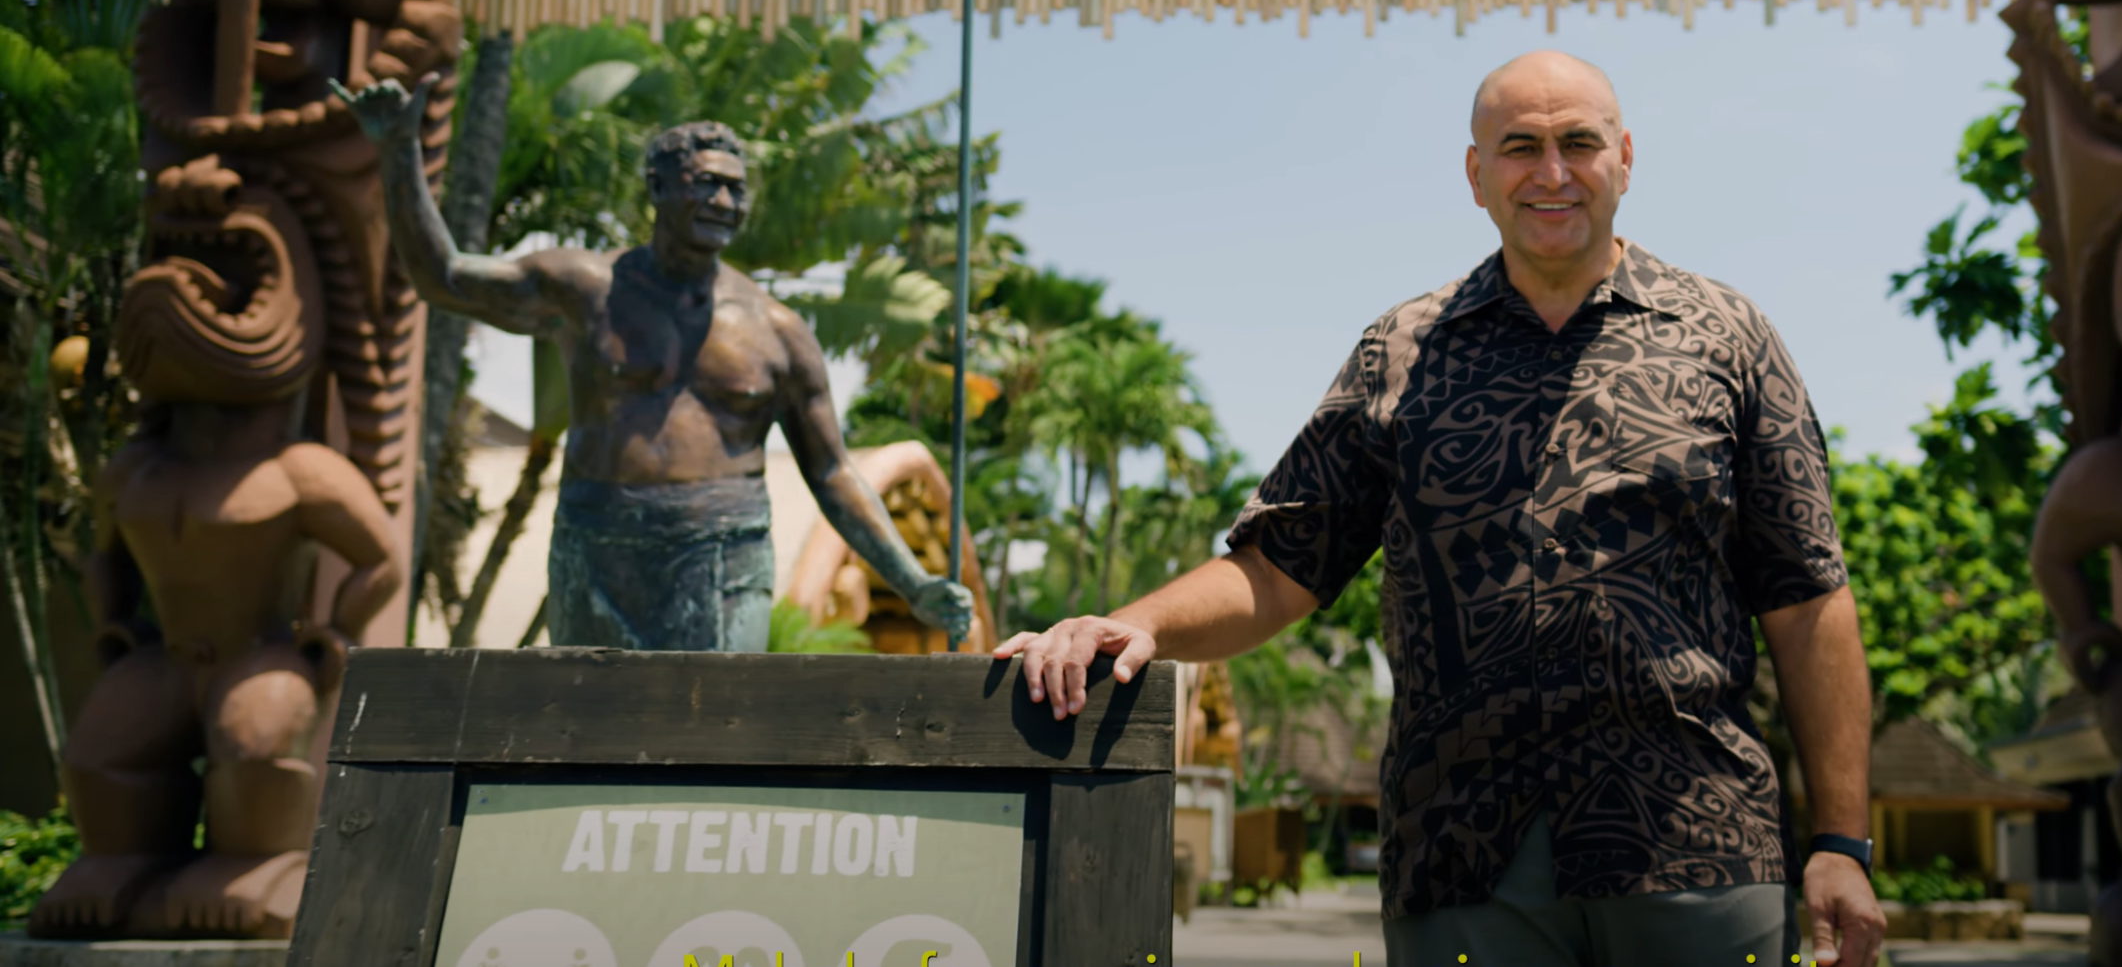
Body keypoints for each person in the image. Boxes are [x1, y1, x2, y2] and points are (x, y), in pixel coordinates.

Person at [995, 51, 1886, 967]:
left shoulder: (1727, 338)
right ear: (1475, 175)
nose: (1551, 172)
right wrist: (1133, 624)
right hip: (1462, 858)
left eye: (1578, 143)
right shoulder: (1401, 352)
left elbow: (1809, 596)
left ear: (1624, 158)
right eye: (1520, 147)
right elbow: (1281, 564)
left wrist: (1841, 842)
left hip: (1696, 844)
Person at [345, 74, 974, 652]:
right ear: (657, 186)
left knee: (712, 735)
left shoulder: (777, 332)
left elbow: (833, 471)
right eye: (707, 183)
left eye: (736, 189)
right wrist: (399, 151)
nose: (724, 201)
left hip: (723, 549)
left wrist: (913, 581)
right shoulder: (584, 289)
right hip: (597, 545)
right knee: (582, 737)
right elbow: (445, 278)